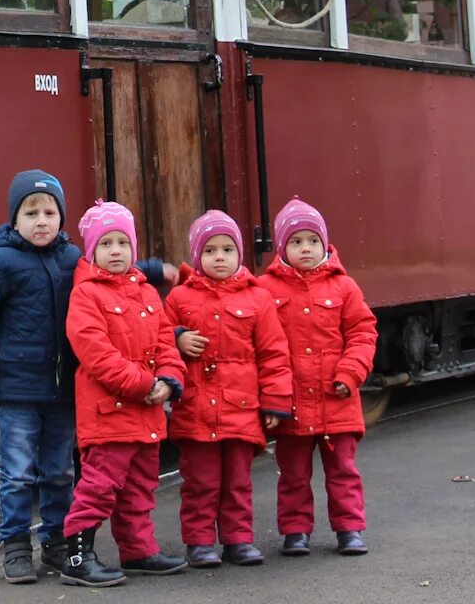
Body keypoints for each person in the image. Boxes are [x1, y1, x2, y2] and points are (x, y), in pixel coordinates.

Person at [0, 173, 175, 585]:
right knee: (18, 471)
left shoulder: (72, 258)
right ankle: (17, 545)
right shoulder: (2, 262)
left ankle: (58, 543)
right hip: (18, 386)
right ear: (13, 220)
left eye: (50, 213)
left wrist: (152, 269)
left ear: (62, 218)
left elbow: (109, 264)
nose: (41, 221)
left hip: (60, 390)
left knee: (59, 471)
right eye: (31, 213)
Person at [56, 200, 187, 587]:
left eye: (123, 243)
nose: (116, 251)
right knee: (99, 487)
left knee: (140, 488)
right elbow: (96, 354)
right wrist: (145, 385)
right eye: (106, 244)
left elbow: (167, 341)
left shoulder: (147, 294)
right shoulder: (86, 295)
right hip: (108, 414)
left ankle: (138, 550)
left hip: (145, 414)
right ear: (92, 251)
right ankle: (78, 557)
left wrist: (168, 379)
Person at [165, 210, 294, 568]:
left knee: (238, 480)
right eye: (209, 251)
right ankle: (200, 541)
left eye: (226, 250)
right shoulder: (179, 299)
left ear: (240, 255)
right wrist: (177, 339)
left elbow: (274, 353)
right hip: (196, 409)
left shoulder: (258, 298)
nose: (218, 257)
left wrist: (275, 401)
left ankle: (238, 539)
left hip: (241, 407)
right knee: (200, 481)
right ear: (197, 256)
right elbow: (158, 339)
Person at [257, 198, 379, 556]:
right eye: (296, 242)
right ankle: (296, 531)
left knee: (343, 470)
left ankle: (349, 528)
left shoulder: (345, 288)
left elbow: (362, 333)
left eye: (312, 240)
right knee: (292, 474)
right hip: (290, 402)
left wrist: (351, 372)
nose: (305, 248)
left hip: (336, 399)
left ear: (325, 243)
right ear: (282, 248)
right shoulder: (266, 289)